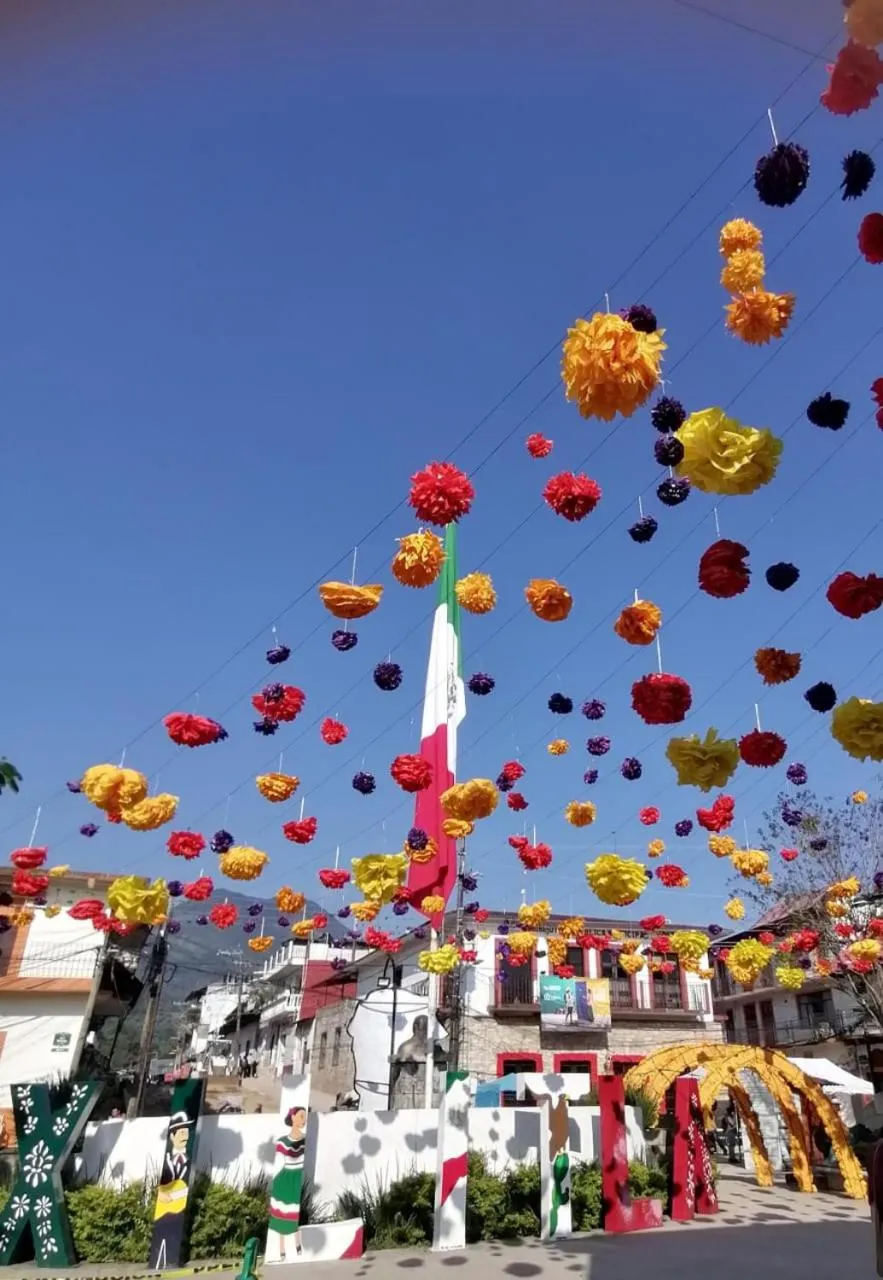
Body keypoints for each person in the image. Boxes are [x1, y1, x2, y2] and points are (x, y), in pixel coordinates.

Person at [268, 1107, 307, 1258]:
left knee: (294, 1212)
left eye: (304, 1117)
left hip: (297, 1177)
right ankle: (282, 1250)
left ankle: (298, 1246)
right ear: (293, 1118)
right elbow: (278, 1164)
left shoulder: (305, 1140)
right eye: (301, 1116)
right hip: (285, 1179)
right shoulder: (282, 1142)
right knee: (283, 1215)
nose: (304, 1120)